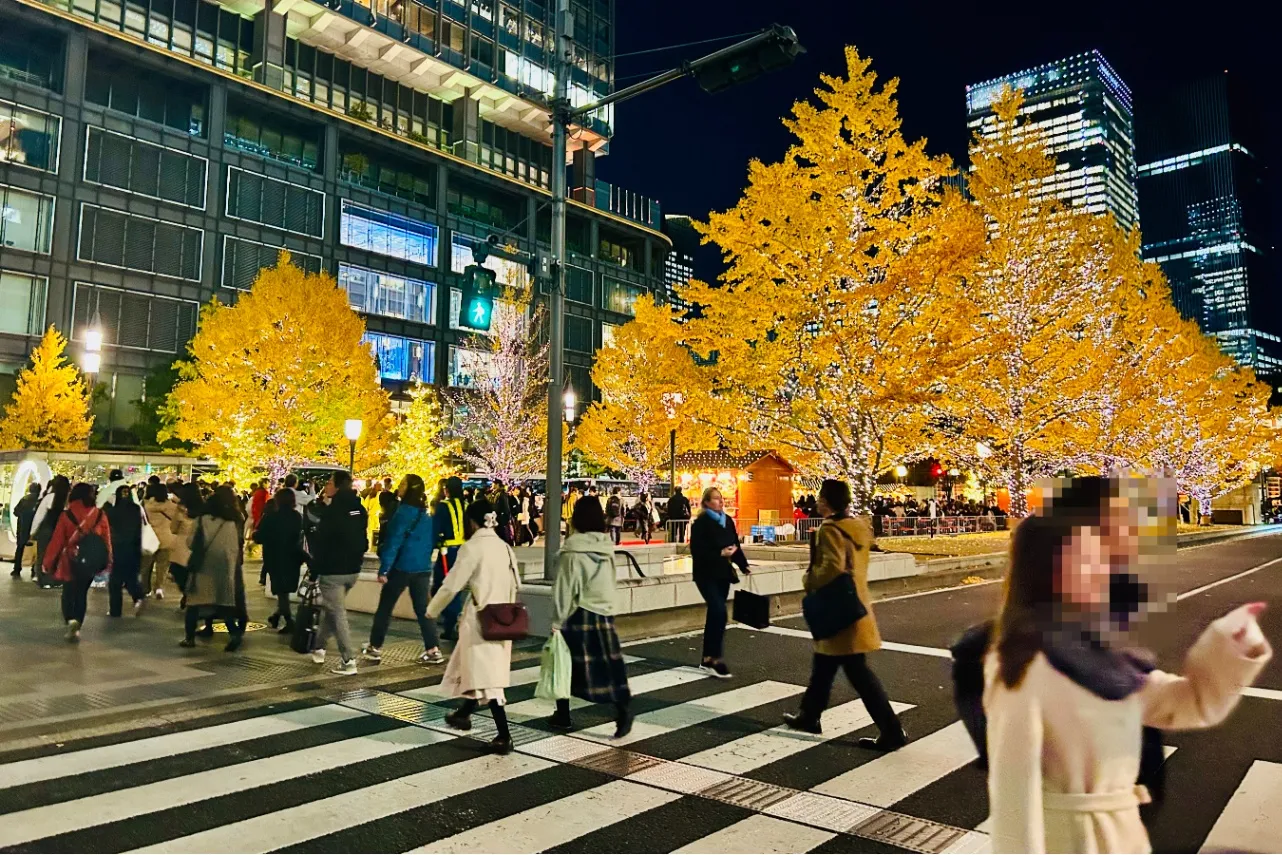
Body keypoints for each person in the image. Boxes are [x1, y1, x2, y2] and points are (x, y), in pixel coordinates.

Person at [984, 495, 1272, 854]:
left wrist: (1229, 645)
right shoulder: (1024, 663)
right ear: (1045, 572)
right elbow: (1013, 796)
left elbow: (1188, 704)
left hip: (1121, 836)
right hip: (1070, 842)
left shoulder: (1103, 652)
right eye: (1087, 559)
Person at [782, 479, 907, 750]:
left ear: (825, 502)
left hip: (838, 608)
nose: (816, 503)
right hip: (856, 604)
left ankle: (892, 729)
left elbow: (832, 567)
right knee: (824, 664)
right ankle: (809, 715)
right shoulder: (858, 527)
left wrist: (809, 580)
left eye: (819, 499)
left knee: (857, 673)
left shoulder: (830, 530)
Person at [428, 498, 521, 754]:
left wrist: (432, 609)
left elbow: (452, 583)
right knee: (473, 666)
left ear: (472, 522)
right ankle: (464, 713)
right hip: (504, 616)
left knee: (488, 677)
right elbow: (517, 582)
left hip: (481, 618)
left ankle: (503, 736)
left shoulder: (472, 547)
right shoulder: (504, 547)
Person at [547, 496, 633, 737]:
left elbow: (564, 589)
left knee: (564, 665)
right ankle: (622, 707)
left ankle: (563, 714)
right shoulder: (605, 547)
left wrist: (557, 621)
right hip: (603, 612)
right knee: (608, 665)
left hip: (578, 613)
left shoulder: (571, 551)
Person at [362, 474, 445, 666]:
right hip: (422, 568)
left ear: (410, 489)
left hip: (401, 568)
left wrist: (384, 570)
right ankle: (433, 649)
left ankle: (375, 647)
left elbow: (394, 542)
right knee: (423, 609)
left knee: (385, 608)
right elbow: (430, 542)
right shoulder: (427, 514)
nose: (399, 487)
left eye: (402, 484)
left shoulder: (402, 512)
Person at [308, 470, 368, 674]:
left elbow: (321, 545)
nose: (327, 485)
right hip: (352, 569)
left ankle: (348, 660)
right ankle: (319, 648)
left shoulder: (332, 512)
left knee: (337, 613)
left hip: (332, 570)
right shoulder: (359, 509)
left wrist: (313, 573)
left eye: (331, 482)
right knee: (332, 610)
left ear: (338, 486)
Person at [688, 487, 748, 678]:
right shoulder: (701, 523)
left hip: (723, 573)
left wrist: (743, 564)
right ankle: (714, 658)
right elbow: (697, 550)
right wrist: (719, 553)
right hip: (706, 573)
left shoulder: (727, 521)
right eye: (715, 499)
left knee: (717, 613)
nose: (720, 502)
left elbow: (734, 545)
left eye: (721, 498)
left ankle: (709, 657)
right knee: (718, 610)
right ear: (706, 503)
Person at [180, 485, 247, 652]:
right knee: (224, 604)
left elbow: (190, 543)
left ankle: (189, 638)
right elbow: (233, 549)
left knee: (193, 604)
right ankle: (234, 634)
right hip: (224, 568)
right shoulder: (231, 522)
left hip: (202, 566)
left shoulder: (201, 520)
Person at [43, 482, 113, 642]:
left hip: (70, 560)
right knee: (82, 593)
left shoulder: (66, 515)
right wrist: (107, 559)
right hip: (90, 560)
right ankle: (78, 625)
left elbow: (57, 541)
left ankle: (70, 620)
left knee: (68, 592)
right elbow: (106, 540)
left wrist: (48, 561)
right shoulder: (100, 514)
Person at [254, 488, 305, 634]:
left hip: (274, 557)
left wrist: (256, 534)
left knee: (281, 590)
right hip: (292, 557)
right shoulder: (297, 517)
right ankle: (277, 615)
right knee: (284, 590)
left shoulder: (271, 517)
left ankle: (289, 621)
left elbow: (260, 536)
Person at [432, 476, 469, 641]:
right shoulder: (467, 505)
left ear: (447, 489)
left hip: (447, 552)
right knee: (457, 585)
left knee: (445, 586)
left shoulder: (443, 506)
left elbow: (435, 529)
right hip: (464, 551)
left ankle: (451, 623)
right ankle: (452, 620)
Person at [105, 484, 146, 618]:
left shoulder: (112, 511)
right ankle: (138, 597)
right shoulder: (136, 509)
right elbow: (139, 531)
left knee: (115, 582)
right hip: (132, 549)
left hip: (116, 549)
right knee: (131, 578)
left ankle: (115, 610)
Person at [30, 475, 71, 589]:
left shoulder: (49, 498)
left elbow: (39, 516)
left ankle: (44, 579)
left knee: (42, 554)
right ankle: (57, 579)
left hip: (47, 530)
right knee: (58, 555)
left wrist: (32, 531)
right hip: (62, 532)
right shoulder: (68, 500)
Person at [141, 482, 178, 600]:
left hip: (149, 539)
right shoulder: (171, 506)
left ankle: (145, 589)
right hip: (167, 538)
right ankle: (159, 588)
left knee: (145, 566)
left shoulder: (145, 505)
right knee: (163, 567)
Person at [11, 482, 41, 578]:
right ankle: (33, 570)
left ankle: (17, 569)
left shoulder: (24, 500)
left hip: (22, 528)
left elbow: (16, 512)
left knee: (20, 548)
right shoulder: (40, 501)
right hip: (35, 529)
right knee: (36, 550)